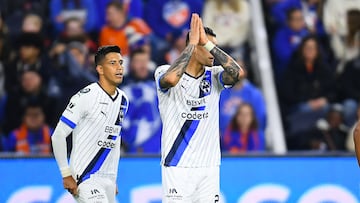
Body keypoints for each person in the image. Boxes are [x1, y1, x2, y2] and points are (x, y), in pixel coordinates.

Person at [155, 14, 245, 202]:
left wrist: (207, 44)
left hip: (209, 168)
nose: (213, 52)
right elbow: (171, 80)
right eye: (207, 47)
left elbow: (238, 73)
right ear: (194, 48)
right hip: (178, 166)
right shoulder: (164, 71)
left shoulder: (215, 77)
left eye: (214, 47)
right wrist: (192, 44)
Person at [51, 45, 129, 202]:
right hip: (85, 176)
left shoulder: (123, 99)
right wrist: (65, 173)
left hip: (108, 178)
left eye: (121, 62)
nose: (119, 67)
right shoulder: (86, 96)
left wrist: (113, 179)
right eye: (113, 63)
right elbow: (58, 135)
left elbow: (114, 139)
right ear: (100, 69)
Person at [121, 48, 161, 153]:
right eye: (139, 62)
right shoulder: (122, 90)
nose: (143, 66)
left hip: (155, 149)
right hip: (127, 151)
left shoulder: (157, 89)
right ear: (131, 64)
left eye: (145, 62)